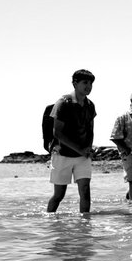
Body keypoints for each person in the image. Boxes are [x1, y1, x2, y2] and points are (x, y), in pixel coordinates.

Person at [47, 69, 96, 213]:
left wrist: (88, 148)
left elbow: (90, 129)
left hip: (82, 156)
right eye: (85, 83)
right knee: (59, 195)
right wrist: (79, 149)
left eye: (91, 83)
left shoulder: (90, 105)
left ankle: (85, 228)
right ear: (75, 83)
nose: (88, 86)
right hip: (62, 155)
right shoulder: (64, 103)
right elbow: (58, 133)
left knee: (85, 191)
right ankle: (50, 223)